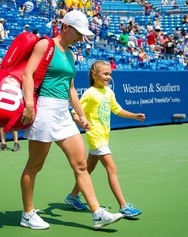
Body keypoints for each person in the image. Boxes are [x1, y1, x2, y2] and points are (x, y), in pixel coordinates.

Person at [20, 10, 123, 230]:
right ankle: (27, 214)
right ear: (65, 27)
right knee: (35, 165)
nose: (81, 38)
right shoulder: (45, 45)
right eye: (78, 32)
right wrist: (29, 103)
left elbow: (71, 88)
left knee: (81, 165)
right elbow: (27, 74)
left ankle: (97, 214)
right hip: (44, 111)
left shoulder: (70, 54)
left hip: (63, 114)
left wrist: (82, 117)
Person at [64, 60, 145, 218]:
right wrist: (82, 122)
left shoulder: (108, 92)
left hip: (104, 136)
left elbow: (118, 109)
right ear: (95, 75)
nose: (108, 77)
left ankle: (72, 197)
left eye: (110, 74)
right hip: (95, 137)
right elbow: (75, 112)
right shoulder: (89, 93)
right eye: (105, 74)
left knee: (88, 169)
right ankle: (123, 206)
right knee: (112, 168)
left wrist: (134, 116)